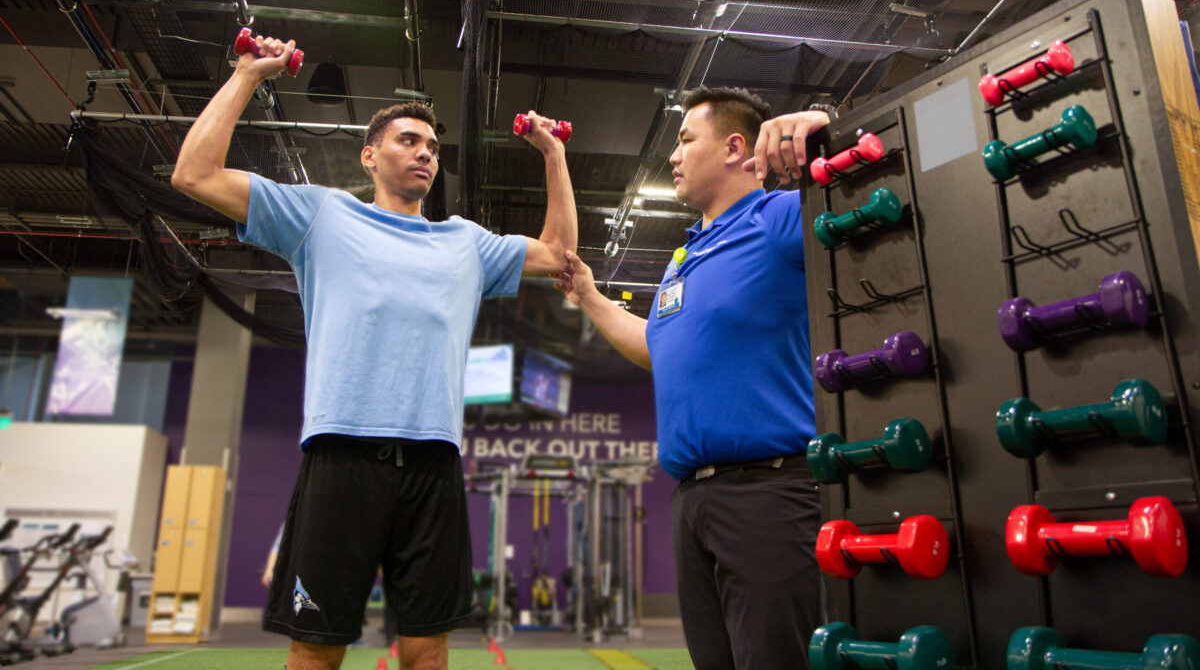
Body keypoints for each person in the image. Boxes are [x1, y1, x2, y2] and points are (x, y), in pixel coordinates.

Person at [172, 35, 576, 670]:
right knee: (316, 650)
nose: (425, 153)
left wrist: (553, 155)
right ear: (369, 156)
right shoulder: (321, 216)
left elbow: (559, 255)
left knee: (426, 651)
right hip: (342, 454)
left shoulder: (465, 243)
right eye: (408, 140)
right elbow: (194, 174)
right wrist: (249, 74)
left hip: (433, 461)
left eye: (433, 147)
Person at [557, 86, 830, 670]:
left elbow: (877, 188)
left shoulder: (779, 218)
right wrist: (589, 296)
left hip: (770, 494)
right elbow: (659, 348)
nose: (673, 157)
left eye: (684, 140)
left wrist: (824, 129)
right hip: (695, 502)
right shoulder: (684, 258)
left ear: (735, 148)